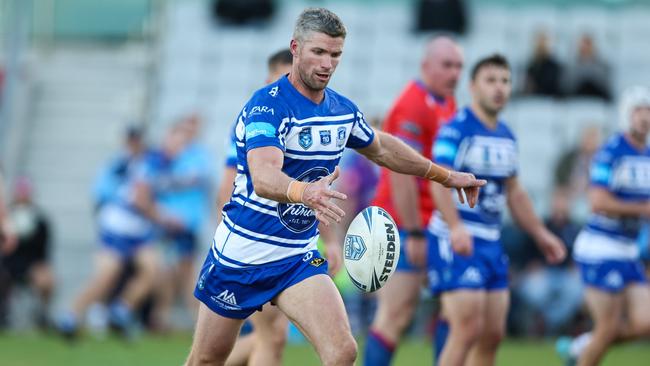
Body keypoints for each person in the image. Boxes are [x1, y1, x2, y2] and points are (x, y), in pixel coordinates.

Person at [185, 8, 485, 366]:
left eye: (336, 54)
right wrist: (304, 192)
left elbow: (382, 148)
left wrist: (445, 176)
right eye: (319, 52)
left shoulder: (341, 110)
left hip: (295, 257)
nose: (328, 63)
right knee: (207, 359)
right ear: (295, 48)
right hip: (242, 254)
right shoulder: (267, 106)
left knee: (342, 351)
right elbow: (264, 176)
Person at [427, 54, 566, 366]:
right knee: (466, 329)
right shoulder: (456, 130)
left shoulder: (506, 135)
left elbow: (514, 192)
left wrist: (541, 233)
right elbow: (438, 181)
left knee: (492, 334)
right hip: (457, 237)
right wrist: (455, 226)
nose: (499, 88)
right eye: (491, 80)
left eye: (505, 81)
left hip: (490, 239)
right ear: (473, 86)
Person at [365, 36, 463, 366]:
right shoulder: (411, 104)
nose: (455, 73)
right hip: (403, 223)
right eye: (447, 65)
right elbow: (400, 174)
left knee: (455, 308)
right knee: (396, 312)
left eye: (459, 66)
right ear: (426, 66)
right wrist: (414, 231)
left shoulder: (448, 103)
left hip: (433, 223)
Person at [557, 86, 650, 366]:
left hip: (628, 249)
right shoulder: (611, 151)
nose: (644, 116)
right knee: (608, 327)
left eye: (648, 110)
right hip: (601, 247)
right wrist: (641, 209)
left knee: (644, 323)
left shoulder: (647, 155)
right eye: (638, 110)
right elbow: (597, 201)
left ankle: (581, 346)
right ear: (626, 115)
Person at [216, 48, 296, 366]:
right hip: (252, 243)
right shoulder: (256, 119)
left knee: (270, 337)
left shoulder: (304, 122)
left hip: (287, 247)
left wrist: (328, 242)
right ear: (268, 80)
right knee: (268, 337)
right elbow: (227, 184)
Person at [57, 127, 167, 339]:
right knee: (106, 276)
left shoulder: (150, 164)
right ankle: (71, 315)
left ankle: (122, 309)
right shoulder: (117, 164)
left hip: (139, 231)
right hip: (116, 229)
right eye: (132, 140)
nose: (135, 144)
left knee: (153, 271)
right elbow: (109, 196)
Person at [0, 177, 54, 329]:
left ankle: (41, 314)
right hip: (8, 263)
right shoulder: (5, 217)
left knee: (47, 279)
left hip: (30, 264)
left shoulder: (40, 220)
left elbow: (43, 251)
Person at [564, 34, 611, 101]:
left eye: (588, 45)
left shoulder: (602, 66)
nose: (585, 48)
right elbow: (567, 86)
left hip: (596, 100)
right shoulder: (572, 66)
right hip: (576, 100)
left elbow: (606, 88)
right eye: (583, 46)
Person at [523, 31, 563, 97]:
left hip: (550, 101)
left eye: (543, 43)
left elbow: (552, 86)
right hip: (535, 100)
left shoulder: (554, 66)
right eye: (539, 43)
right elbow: (528, 87)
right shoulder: (532, 65)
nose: (540, 46)